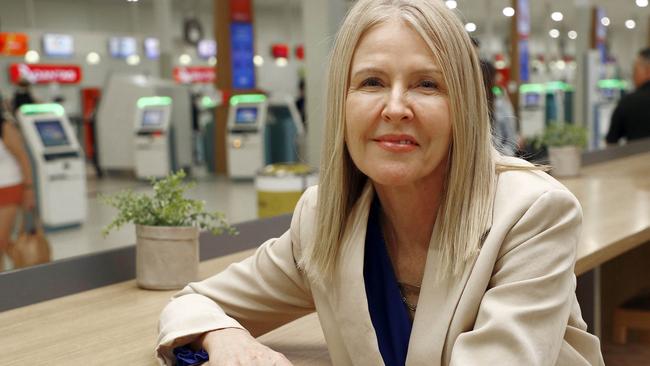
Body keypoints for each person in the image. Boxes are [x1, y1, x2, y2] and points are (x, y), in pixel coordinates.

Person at [157, 1, 604, 365]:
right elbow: (193, 302)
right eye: (371, 82)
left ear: (463, 109)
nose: (395, 108)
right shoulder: (325, 220)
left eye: (426, 84)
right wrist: (225, 337)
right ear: (343, 104)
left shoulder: (533, 213)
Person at [0, 93, 36, 271]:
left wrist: (29, 190)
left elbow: (24, 158)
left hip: (7, 189)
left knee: (0, 242)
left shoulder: (4, 127)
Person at [606, 47, 650, 144]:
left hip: (636, 157)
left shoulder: (628, 102)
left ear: (648, 71)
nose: (633, 75)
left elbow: (611, 142)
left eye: (635, 69)